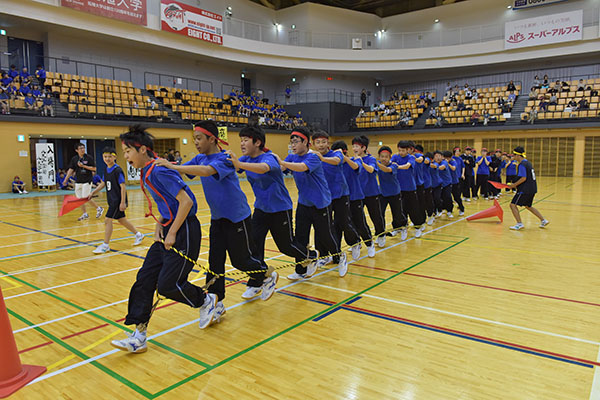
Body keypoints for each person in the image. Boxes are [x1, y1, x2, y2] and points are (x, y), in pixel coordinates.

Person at [111, 125, 216, 354]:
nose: (125, 156)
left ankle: (206, 301)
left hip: (184, 230)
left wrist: (172, 232)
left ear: (141, 149)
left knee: (169, 285)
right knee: (145, 279)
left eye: (128, 151)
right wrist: (160, 222)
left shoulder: (159, 170)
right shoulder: (147, 171)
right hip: (169, 226)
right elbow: (167, 201)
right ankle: (139, 335)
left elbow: (186, 202)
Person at [156, 120, 278, 305]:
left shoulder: (225, 159)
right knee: (215, 263)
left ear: (212, 139)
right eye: (194, 139)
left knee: (240, 261)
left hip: (237, 217)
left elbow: (206, 171)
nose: (196, 142)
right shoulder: (199, 158)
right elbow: (187, 171)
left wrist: (174, 166)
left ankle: (267, 273)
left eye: (199, 138)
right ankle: (216, 300)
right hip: (217, 218)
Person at [227, 125, 321, 283]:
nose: (242, 144)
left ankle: (310, 255)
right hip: (260, 209)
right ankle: (258, 280)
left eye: (245, 140)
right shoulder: (245, 159)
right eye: (240, 140)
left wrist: (239, 164)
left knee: (286, 246)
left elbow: (264, 168)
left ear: (257, 142)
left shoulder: (269, 157)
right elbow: (231, 165)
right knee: (255, 244)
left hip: (280, 209)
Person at [277, 127, 348, 278]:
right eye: (291, 142)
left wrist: (282, 162)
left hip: (320, 202)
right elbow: (281, 167)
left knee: (325, 235)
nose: (293, 145)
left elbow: (302, 168)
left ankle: (340, 256)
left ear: (306, 142)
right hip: (304, 202)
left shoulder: (313, 157)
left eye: (296, 142)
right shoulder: (292, 157)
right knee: (300, 237)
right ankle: (300, 270)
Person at [312, 131, 361, 262]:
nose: (321, 145)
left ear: (328, 143)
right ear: (313, 144)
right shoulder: (311, 157)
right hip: (324, 197)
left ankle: (355, 242)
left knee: (344, 222)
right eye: (318, 142)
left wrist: (322, 159)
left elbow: (336, 161)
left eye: (323, 142)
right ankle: (324, 254)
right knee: (322, 226)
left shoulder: (336, 154)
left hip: (340, 194)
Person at [88, 147, 145, 254]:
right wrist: (93, 192)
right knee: (121, 220)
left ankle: (105, 245)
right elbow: (103, 183)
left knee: (107, 220)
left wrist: (123, 202)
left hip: (117, 200)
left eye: (110, 156)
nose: (107, 159)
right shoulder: (106, 169)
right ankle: (139, 235)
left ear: (114, 157)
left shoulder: (117, 170)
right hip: (111, 199)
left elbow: (123, 187)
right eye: (105, 157)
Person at [331, 140, 375, 258]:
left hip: (355, 197)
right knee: (339, 225)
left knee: (359, 223)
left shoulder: (354, 161)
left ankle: (369, 243)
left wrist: (344, 157)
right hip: (340, 198)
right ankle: (338, 251)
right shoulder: (335, 164)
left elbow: (356, 167)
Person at [352, 135, 386, 247]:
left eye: (357, 146)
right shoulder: (353, 160)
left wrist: (361, 162)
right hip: (358, 195)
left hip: (371, 193)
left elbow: (371, 170)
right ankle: (361, 239)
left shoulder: (371, 159)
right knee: (357, 219)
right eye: (353, 146)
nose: (354, 148)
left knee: (376, 216)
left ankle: (381, 235)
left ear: (364, 148)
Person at [508, 146, 549, 230]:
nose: (514, 157)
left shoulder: (522, 164)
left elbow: (523, 178)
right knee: (528, 206)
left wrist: (514, 185)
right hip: (532, 188)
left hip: (525, 189)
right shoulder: (528, 163)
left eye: (514, 155)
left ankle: (519, 224)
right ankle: (543, 220)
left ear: (518, 156)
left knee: (512, 205)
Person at [392, 141, 426, 237]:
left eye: (403, 150)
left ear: (408, 150)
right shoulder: (395, 156)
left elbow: (407, 166)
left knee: (413, 209)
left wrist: (397, 167)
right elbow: (391, 163)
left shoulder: (411, 157)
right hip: (398, 188)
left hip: (410, 188)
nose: (401, 152)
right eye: (399, 150)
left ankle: (418, 227)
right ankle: (399, 227)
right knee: (399, 209)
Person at [62, 143, 104, 221]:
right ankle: (85, 214)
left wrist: (83, 166)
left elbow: (94, 169)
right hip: (78, 181)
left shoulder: (89, 158)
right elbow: (71, 169)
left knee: (85, 197)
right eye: (80, 148)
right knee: (79, 199)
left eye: (83, 148)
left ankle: (99, 208)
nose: (82, 149)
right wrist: (66, 179)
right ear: (76, 150)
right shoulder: (74, 159)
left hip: (87, 180)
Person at [376, 146, 408, 240]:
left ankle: (402, 227)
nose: (384, 158)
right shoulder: (377, 165)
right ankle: (381, 233)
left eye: (386, 156)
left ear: (390, 157)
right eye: (382, 156)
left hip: (394, 192)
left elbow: (387, 170)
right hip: (382, 193)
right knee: (380, 214)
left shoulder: (393, 165)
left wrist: (377, 164)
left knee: (397, 213)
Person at [438, 151, 455, 218]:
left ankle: (449, 211)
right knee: (440, 197)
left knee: (448, 196)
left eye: (440, 156)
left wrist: (435, 167)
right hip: (439, 183)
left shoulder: (444, 162)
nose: (438, 158)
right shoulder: (434, 162)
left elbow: (442, 167)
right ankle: (441, 210)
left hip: (447, 183)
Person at [451, 147, 465, 216]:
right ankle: (447, 209)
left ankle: (461, 208)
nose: (457, 152)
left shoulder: (460, 159)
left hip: (457, 178)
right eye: (456, 151)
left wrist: (462, 174)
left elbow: (463, 166)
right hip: (449, 180)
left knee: (457, 195)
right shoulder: (451, 159)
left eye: (458, 151)